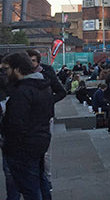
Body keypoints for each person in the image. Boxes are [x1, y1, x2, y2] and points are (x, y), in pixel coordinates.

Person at [1, 52, 53, 199]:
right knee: (40, 182)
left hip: (23, 148)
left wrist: (8, 146)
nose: (5, 73)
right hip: (39, 141)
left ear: (17, 69)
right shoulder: (43, 86)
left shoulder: (22, 92)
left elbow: (16, 124)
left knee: (30, 189)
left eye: (7, 69)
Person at [26, 49, 67, 188]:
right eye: (28, 61)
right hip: (28, 118)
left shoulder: (47, 71)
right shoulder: (21, 73)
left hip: (45, 117)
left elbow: (61, 92)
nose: (30, 64)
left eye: (33, 60)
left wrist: (48, 101)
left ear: (38, 61)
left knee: (46, 152)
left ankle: (46, 181)